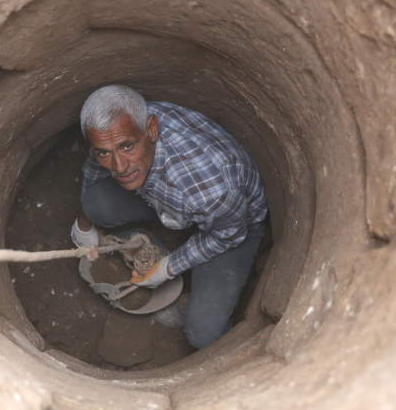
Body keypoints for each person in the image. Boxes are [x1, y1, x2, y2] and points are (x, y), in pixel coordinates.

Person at [70, 85, 267, 349]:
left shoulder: (211, 190)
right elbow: (96, 165)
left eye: (127, 146)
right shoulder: (120, 127)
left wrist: (168, 268)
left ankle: (184, 281)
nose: (118, 166)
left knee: (203, 335)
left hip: (230, 223)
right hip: (170, 197)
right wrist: (85, 222)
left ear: (152, 129)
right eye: (104, 152)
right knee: (96, 204)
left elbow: (228, 234)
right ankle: (149, 240)